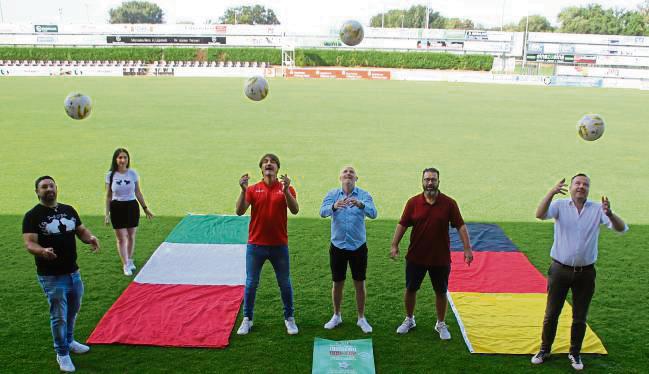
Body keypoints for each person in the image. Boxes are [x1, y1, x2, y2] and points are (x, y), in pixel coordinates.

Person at [531, 174, 627, 371]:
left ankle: (574, 353)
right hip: (559, 270)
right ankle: (544, 349)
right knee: (551, 313)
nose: (581, 187)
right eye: (578, 183)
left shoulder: (598, 209)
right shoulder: (559, 205)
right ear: (571, 187)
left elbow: (621, 228)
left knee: (580, 316)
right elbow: (539, 214)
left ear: (589, 189)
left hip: (586, 273)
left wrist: (609, 214)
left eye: (585, 184)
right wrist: (551, 192)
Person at [22, 176, 100, 373]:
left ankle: (70, 340)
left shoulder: (68, 210)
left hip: (73, 272)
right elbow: (30, 243)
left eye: (51, 185)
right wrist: (42, 251)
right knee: (59, 316)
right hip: (51, 276)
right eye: (44, 187)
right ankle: (62, 353)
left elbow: (80, 230)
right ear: (37, 192)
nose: (49, 189)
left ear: (57, 188)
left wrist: (90, 238)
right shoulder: (32, 215)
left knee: (72, 311)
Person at [390, 167, 473, 340]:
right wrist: (394, 244)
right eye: (427, 179)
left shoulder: (449, 203)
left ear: (438, 182)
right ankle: (409, 319)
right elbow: (402, 224)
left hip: (440, 258)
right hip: (416, 257)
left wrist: (467, 249)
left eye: (433, 180)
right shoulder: (413, 202)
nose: (430, 183)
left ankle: (440, 323)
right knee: (411, 289)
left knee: (441, 291)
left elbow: (460, 226)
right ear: (422, 181)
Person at [235, 153, 300, 335]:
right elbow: (239, 211)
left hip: (279, 245)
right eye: (265, 162)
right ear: (261, 169)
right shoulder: (253, 189)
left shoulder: (286, 188)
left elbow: (294, 210)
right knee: (251, 283)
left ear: (278, 168)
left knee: (284, 283)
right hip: (256, 245)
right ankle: (247, 319)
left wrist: (286, 190)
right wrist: (242, 190)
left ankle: (289, 318)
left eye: (272, 162)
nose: (269, 164)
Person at [319, 166, 378, 333]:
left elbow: (374, 213)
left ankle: (361, 318)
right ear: (340, 178)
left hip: (358, 246)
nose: (348, 174)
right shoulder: (332, 195)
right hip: (337, 246)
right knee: (337, 283)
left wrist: (361, 205)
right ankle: (336, 315)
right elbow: (322, 212)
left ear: (356, 178)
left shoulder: (364, 195)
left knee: (360, 283)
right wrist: (334, 207)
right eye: (345, 172)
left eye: (351, 172)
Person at [104, 148, 153, 276]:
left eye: (125, 157)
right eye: (120, 157)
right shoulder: (110, 175)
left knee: (131, 235)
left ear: (128, 159)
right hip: (117, 207)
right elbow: (108, 196)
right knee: (121, 238)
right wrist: (107, 214)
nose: (122, 160)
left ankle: (130, 259)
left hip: (131, 206)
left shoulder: (133, 173)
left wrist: (145, 208)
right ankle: (125, 264)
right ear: (116, 159)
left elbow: (138, 192)